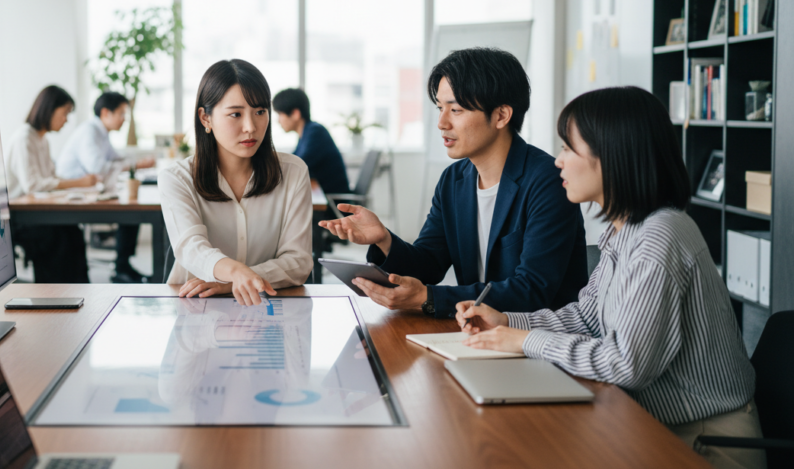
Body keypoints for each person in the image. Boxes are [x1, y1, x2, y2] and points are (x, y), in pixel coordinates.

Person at [456, 87, 763, 469]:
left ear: (613, 156)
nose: (558, 162)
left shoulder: (659, 238)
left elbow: (627, 364)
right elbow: (587, 318)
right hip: (652, 421)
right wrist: (507, 321)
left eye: (569, 149)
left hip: (702, 441)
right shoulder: (625, 231)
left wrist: (527, 340)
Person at [319, 47, 587, 317]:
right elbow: (430, 264)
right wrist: (384, 239)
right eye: (439, 108)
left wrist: (428, 297)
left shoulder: (549, 181)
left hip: (537, 340)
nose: (441, 123)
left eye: (456, 109)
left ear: (501, 116)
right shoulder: (454, 179)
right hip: (476, 334)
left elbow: (531, 290)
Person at [159, 59, 313, 306]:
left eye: (260, 112)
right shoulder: (177, 178)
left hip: (267, 310)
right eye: (235, 114)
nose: (251, 127)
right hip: (195, 308)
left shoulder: (293, 172)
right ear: (205, 118)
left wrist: (231, 283)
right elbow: (191, 249)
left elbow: (298, 262)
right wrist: (236, 274)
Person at [56, 91, 156, 283]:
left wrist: (136, 163)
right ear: (105, 113)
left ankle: (123, 266)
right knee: (130, 211)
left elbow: (115, 159)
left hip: (89, 192)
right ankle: (122, 267)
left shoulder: (101, 133)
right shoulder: (89, 132)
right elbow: (99, 168)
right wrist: (137, 165)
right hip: (72, 195)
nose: (124, 119)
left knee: (132, 208)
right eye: (121, 113)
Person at [6, 85, 95, 283]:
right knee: (58, 239)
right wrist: (78, 183)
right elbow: (34, 186)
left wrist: (76, 187)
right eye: (64, 113)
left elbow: (51, 180)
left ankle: (79, 292)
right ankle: (53, 295)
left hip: (38, 212)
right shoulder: (24, 139)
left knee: (73, 232)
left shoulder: (42, 140)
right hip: (21, 217)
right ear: (49, 110)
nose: (66, 120)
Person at [272, 88, 350, 195]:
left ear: (295, 113)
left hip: (332, 204)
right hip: (325, 198)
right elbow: (292, 160)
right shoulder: (307, 133)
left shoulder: (315, 133)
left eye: (280, 114)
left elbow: (296, 166)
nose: (278, 120)